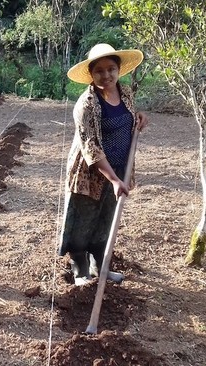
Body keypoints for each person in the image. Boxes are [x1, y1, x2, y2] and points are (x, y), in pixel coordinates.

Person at [59, 43, 149, 286]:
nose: (106, 75)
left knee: (107, 219)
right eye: (99, 70)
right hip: (91, 172)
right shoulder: (85, 105)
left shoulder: (126, 92)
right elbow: (91, 148)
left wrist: (138, 117)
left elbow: (127, 114)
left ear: (118, 70)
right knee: (84, 220)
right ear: (91, 74)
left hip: (119, 168)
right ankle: (80, 271)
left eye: (111, 69)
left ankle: (102, 268)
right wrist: (112, 179)